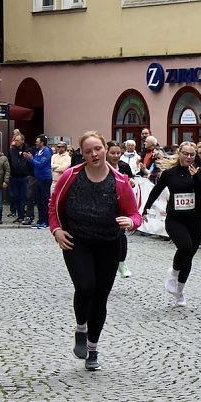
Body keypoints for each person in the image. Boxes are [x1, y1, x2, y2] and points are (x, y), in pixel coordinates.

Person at [49, 131, 142, 371]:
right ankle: (81, 328)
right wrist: (57, 229)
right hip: (76, 240)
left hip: (108, 243)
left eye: (97, 149)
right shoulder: (71, 176)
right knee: (85, 286)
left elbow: (135, 213)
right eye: (88, 151)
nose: (94, 154)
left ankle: (93, 349)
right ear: (82, 153)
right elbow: (53, 204)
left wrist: (131, 222)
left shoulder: (120, 180)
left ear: (105, 149)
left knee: (100, 297)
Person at [142, 141, 201, 308]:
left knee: (189, 257)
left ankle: (179, 291)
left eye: (191, 155)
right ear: (179, 153)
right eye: (185, 154)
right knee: (185, 247)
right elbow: (156, 190)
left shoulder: (199, 172)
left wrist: (197, 178)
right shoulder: (169, 173)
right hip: (175, 219)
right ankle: (173, 274)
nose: (188, 157)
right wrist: (146, 208)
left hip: (194, 219)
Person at [105, 140, 134, 278]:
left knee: (121, 236)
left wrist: (131, 182)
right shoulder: (101, 167)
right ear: (106, 152)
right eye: (113, 153)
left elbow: (130, 182)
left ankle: (121, 262)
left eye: (118, 153)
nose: (116, 156)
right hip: (104, 206)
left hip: (120, 207)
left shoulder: (123, 166)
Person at [25, 135, 53, 229]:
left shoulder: (47, 151)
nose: (36, 143)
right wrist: (31, 159)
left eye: (37, 141)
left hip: (45, 178)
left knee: (45, 200)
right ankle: (40, 220)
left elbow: (40, 164)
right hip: (38, 178)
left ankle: (46, 221)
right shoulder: (38, 152)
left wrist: (31, 159)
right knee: (39, 200)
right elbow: (35, 163)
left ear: (42, 142)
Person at [8, 133, 31, 223]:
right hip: (14, 177)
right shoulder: (11, 150)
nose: (15, 142)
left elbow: (30, 162)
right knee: (15, 197)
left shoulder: (28, 150)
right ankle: (19, 215)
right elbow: (9, 162)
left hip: (25, 177)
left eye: (17, 140)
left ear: (22, 141)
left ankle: (23, 215)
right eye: (15, 140)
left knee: (24, 197)